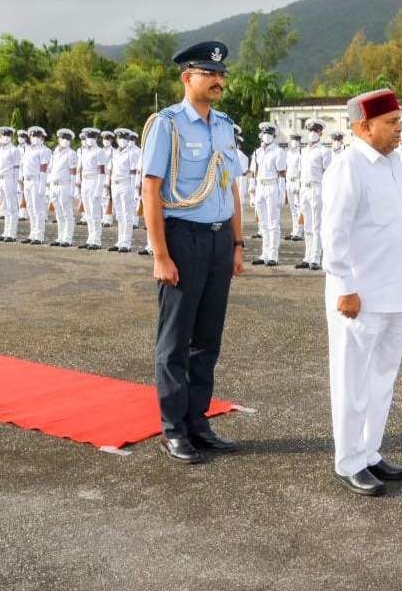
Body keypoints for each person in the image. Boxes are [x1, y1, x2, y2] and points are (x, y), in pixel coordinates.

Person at [140, 40, 246, 464]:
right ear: (188, 78)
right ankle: (172, 429)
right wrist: (160, 254)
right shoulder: (167, 125)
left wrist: (237, 244)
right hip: (183, 237)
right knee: (175, 340)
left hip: (219, 239)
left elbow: (232, 186)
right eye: (209, 73)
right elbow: (150, 188)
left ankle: (198, 421)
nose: (218, 79)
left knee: (208, 339)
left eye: (220, 74)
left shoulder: (224, 125)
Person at [321, 88, 402, 496]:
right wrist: (344, 287)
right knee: (352, 378)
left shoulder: (396, 164)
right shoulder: (349, 167)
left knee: (383, 376)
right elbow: (334, 234)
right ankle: (349, 461)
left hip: (397, 289)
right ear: (363, 127)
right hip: (360, 296)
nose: (399, 130)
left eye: (399, 122)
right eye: (391, 123)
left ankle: (370, 451)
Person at [296, 119, 333, 270]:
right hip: (304, 189)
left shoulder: (324, 151)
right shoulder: (303, 151)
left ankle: (316, 258)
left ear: (320, 133)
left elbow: (328, 174)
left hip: (317, 188)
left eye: (316, 131)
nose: (313, 133)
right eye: (311, 131)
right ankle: (307, 256)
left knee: (317, 225)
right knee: (307, 225)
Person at [251, 122, 285, 266]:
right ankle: (264, 253)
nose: (267, 136)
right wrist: (252, 191)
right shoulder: (257, 152)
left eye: (270, 134)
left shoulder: (278, 152)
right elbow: (254, 172)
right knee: (263, 223)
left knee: (273, 223)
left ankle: (273, 255)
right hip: (260, 187)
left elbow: (282, 174)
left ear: (273, 136)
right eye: (265, 133)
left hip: (272, 187)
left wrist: (282, 194)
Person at [108, 128, 142, 252]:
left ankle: (126, 244)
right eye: (120, 138)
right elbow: (112, 171)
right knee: (119, 215)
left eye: (124, 138)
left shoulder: (132, 152)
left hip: (127, 184)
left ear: (128, 139)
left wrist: (134, 191)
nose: (122, 140)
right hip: (115, 185)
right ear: (116, 139)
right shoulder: (115, 152)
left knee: (127, 215)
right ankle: (119, 241)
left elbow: (134, 173)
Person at [78, 127, 110, 250]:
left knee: (95, 213)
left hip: (94, 181)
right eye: (87, 138)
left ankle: (96, 240)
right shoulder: (84, 151)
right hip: (85, 181)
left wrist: (98, 189)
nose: (89, 140)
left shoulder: (99, 151)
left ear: (96, 138)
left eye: (92, 138)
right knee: (88, 213)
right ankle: (90, 238)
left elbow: (102, 172)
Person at [47, 128, 79, 247]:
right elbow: (51, 170)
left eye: (67, 139)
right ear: (59, 139)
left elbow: (73, 173)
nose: (65, 141)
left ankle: (68, 239)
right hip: (54, 186)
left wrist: (72, 189)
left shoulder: (71, 154)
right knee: (58, 214)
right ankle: (60, 237)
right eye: (63, 138)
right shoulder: (54, 153)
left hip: (65, 187)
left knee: (67, 213)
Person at [20, 126, 52, 244]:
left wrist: (42, 186)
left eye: (37, 136)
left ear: (42, 137)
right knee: (30, 209)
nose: (35, 138)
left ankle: (39, 236)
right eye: (33, 136)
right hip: (27, 181)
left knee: (38, 210)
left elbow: (43, 169)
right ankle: (32, 233)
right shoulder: (27, 150)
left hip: (36, 181)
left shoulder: (45, 150)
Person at [0, 127, 22, 242]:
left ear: (10, 137)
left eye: (6, 135)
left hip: (9, 180)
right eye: (2, 135)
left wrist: (15, 184)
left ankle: (12, 234)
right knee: (4, 207)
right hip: (0, 180)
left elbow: (16, 169)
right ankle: (6, 232)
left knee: (12, 208)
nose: (4, 137)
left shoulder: (14, 150)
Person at [284, 130, 305, 241]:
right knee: (292, 208)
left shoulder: (301, 153)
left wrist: (299, 183)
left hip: (297, 181)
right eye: (293, 140)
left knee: (299, 207)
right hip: (289, 182)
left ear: (299, 141)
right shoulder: (288, 153)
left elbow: (302, 170)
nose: (294, 142)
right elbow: (286, 169)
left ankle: (300, 231)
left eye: (296, 140)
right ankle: (294, 230)